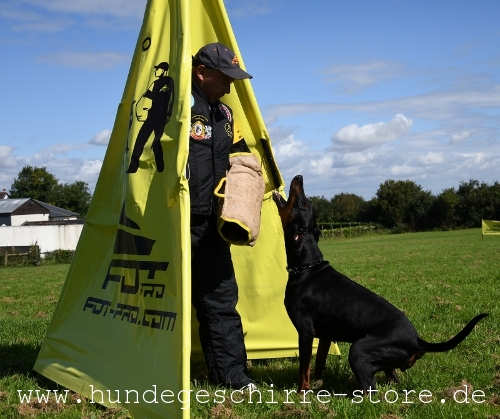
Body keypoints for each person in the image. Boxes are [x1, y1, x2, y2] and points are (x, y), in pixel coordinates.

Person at [188, 42, 255, 390]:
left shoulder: (226, 115)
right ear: (202, 73)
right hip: (175, 227)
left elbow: (243, 160)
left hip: (214, 225)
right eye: (225, 77)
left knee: (221, 301)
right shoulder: (177, 109)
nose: (231, 85)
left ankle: (232, 377)